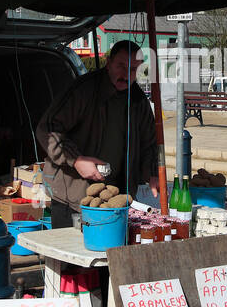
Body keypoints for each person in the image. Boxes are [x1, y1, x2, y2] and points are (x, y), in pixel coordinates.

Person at [36, 40, 159, 228]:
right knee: (70, 254)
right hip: (73, 197)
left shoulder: (138, 100)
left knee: (110, 255)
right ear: (108, 62)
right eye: (121, 66)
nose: (126, 75)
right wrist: (76, 159)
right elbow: (48, 128)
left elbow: (150, 142)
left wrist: (152, 173)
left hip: (115, 199)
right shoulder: (84, 90)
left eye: (133, 69)